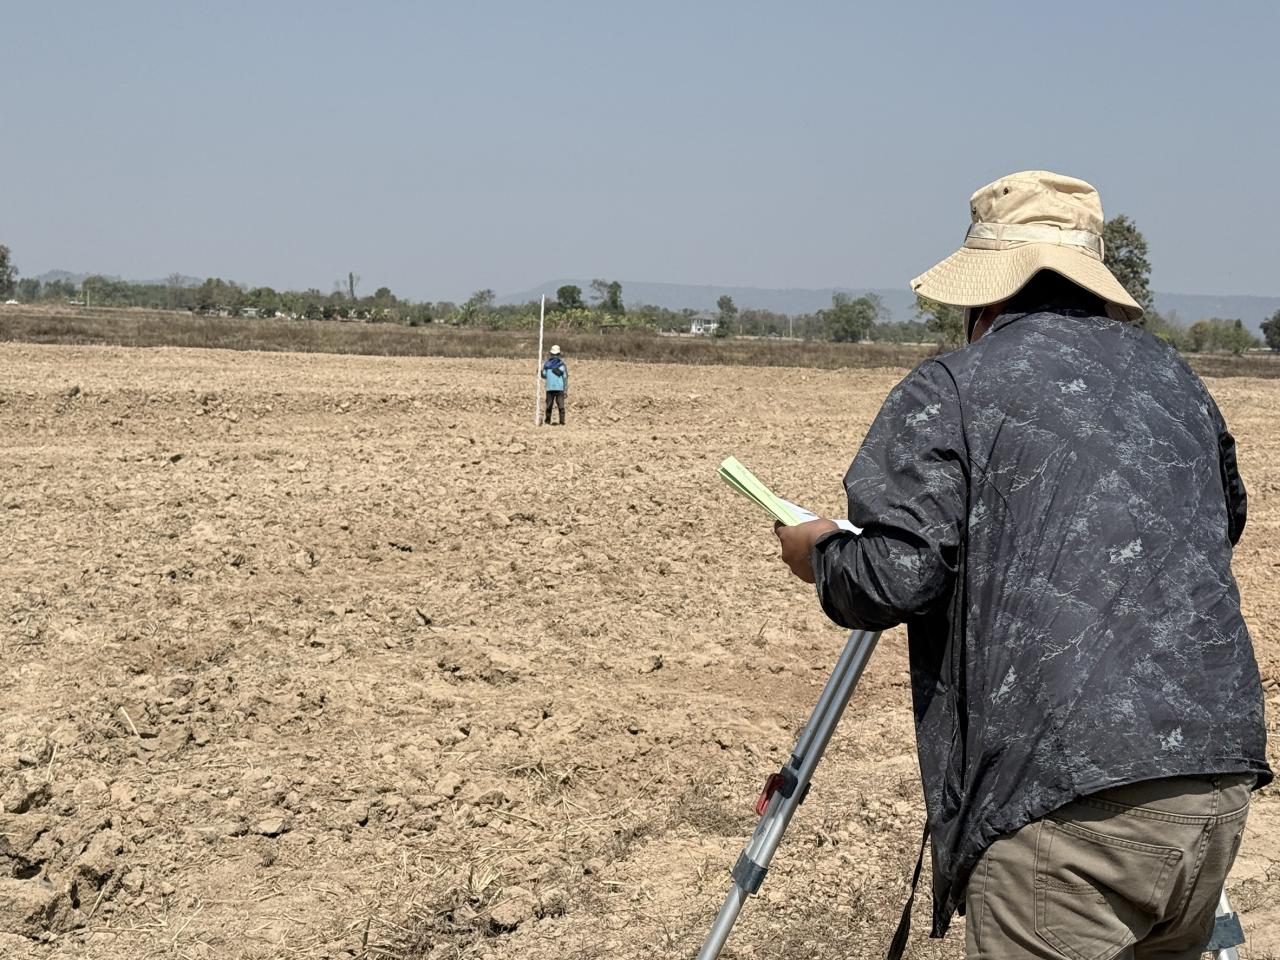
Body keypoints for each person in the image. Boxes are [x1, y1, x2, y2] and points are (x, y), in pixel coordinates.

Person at [774, 171, 1270, 960]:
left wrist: (820, 552)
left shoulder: (955, 385)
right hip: (1213, 780)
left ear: (984, 296)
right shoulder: (1178, 380)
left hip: (1065, 806)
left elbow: (900, 575)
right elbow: (1222, 520)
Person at [541, 344, 568, 425]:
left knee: (561, 407)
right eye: (553, 354)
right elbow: (544, 375)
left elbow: (565, 377)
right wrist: (540, 372)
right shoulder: (547, 365)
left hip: (559, 389)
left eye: (556, 354)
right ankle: (547, 421)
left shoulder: (562, 365)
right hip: (549, 388)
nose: (554, 356)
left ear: (559, 355)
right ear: (551, 354)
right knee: (549, 406)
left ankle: (562, 422)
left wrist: (565, 389)